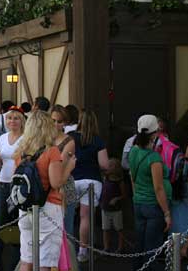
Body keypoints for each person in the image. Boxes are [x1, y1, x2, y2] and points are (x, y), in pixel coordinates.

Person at [15, 111, 76, 271]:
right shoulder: (51, 151)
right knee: (45, 263)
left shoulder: (22, 151)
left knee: (26, 260)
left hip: (25, 209)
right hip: (48, 208)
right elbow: (56, 183)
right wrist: (68, 167)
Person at [129, 114, 172, 271]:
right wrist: (167, 212)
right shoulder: (154, 158)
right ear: (155, 133)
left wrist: (136, 195)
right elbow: (158, 187)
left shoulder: (133, 151)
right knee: (151, 247)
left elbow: (131, 177)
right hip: (153, 206)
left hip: (138, 202)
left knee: (139, 244)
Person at [0, 107, 25, 271]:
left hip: (19, 185)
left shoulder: (26, 139)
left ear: (22, 121)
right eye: (9, 118)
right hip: (3, 184)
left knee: (18, 225)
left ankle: (16, 264)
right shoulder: (2, 137)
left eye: (16, 118)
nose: (12, 121)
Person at [69, 109, 108, 263]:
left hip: (72, 179)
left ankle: (68, 250)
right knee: (85, 218)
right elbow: (104, 164)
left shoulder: (70, 138)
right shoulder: (98, 140)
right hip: (91, 181)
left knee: (68, 216)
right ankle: (82, 251)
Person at [50, 105, 77, 236]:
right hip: (48, 188)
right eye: (53, 120)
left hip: (64, 188)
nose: (55, 124)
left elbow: (60, 166)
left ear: (64, 122)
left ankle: (70, 257)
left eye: (59, 121)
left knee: (66, 232)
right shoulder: (45, 139)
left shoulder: (69, 141)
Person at [101, 158, 126, 253]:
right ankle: (106, 247)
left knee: (119, 228)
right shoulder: (105, 178)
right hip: (105, 207)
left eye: (111, 165)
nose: (108, 167)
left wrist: (116, 199)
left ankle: (121, 247)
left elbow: (124, 195)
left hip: (116, 209)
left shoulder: (120, 181)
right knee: (105, 228)